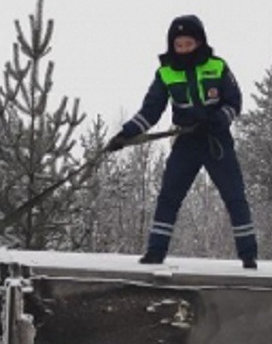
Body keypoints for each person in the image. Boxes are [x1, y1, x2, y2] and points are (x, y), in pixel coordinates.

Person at [108, 14, 258, 269]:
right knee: (168, 196)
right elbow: (151, 111)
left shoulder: (218, 66)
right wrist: (126, 134)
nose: (184, 49)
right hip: (185, 141)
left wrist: (219, 119)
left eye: (189, 44)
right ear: (172, 46)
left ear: (199, 42)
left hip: (216, 141)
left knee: (234, 196)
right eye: (179, 45)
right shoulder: (165, 73)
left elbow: (234, 102)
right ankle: (156, 252)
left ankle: (248, 255)